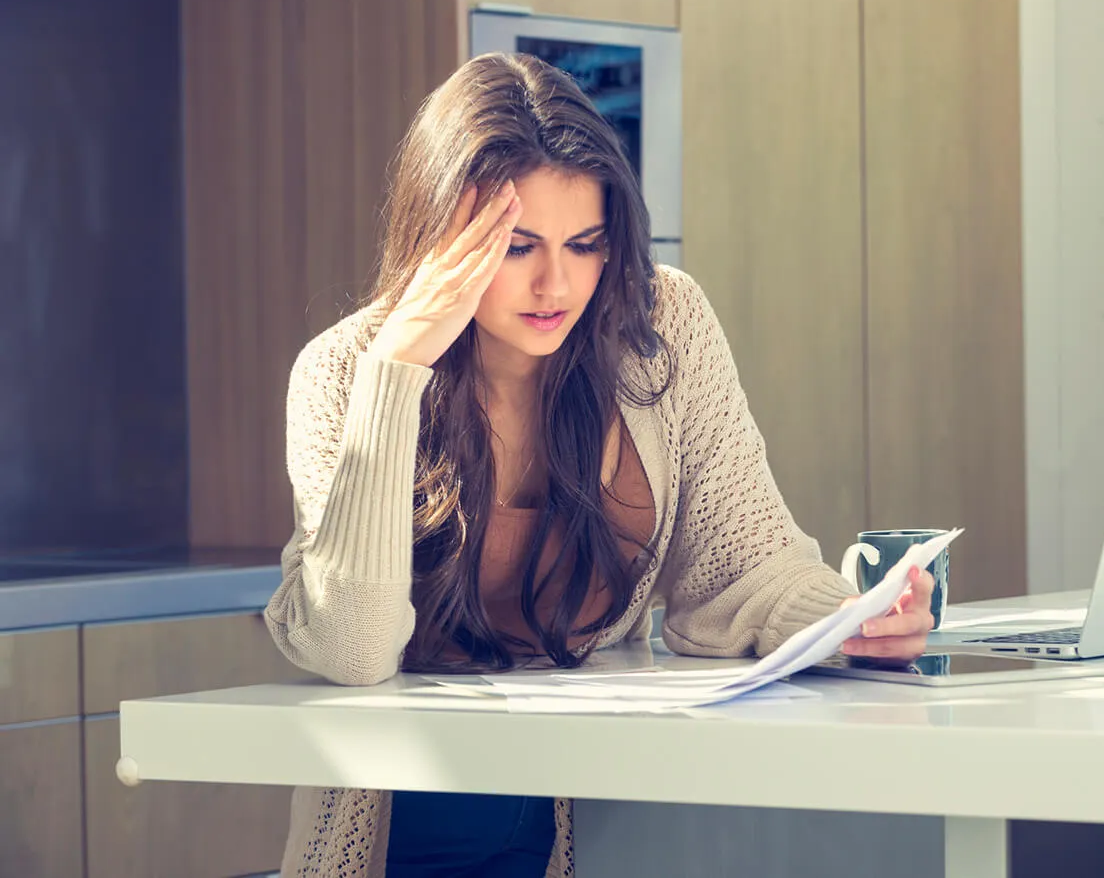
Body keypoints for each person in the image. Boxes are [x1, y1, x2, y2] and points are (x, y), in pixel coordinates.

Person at [264, 52, 938, 878]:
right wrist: (398, 369)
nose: (558, 284)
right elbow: (352, 648)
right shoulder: (341, 372)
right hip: (412, 824)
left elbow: (747, 569)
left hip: (600, 813)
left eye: (585, 244)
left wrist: (853, 621)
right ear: (440, 237)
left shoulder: (663, 323)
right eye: (516, 248)